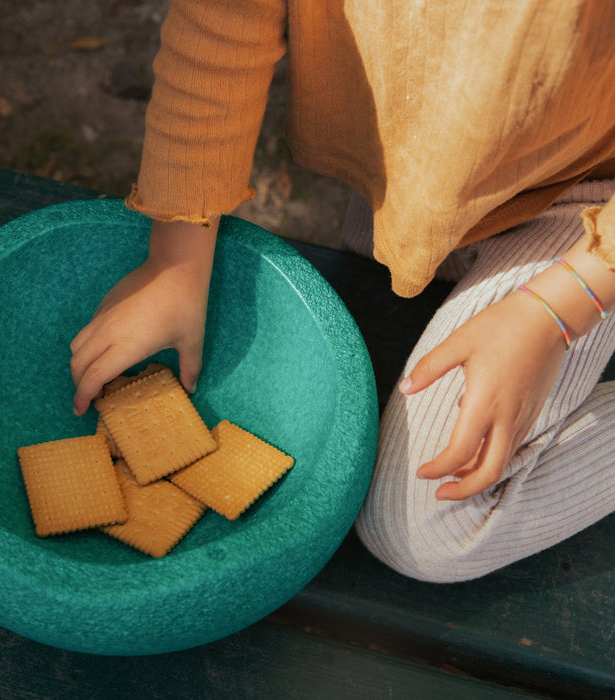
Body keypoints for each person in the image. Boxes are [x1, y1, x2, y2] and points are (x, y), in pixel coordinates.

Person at [69, 0, 615, 582]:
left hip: (584, 216)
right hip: (416, 179)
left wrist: (563, 301)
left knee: (425, 526)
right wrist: (175, 259)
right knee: (370, 298)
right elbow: (221, 21)